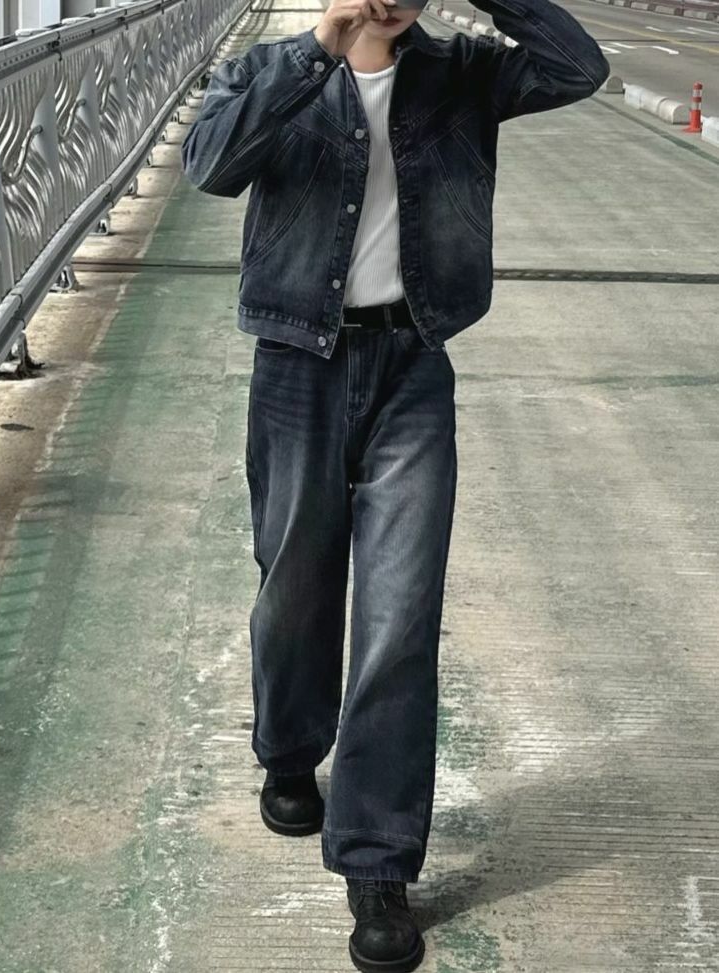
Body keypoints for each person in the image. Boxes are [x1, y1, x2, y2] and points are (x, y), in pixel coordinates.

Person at [181, 0, 608, 969]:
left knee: (399, 615)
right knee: (293, 586)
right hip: (295, 364)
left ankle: (376, 858)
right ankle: (290, 748)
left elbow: (578, 66)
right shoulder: (271, 68)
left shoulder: (461, 73)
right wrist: (321, 48)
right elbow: (209, 164)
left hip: (413, 367)